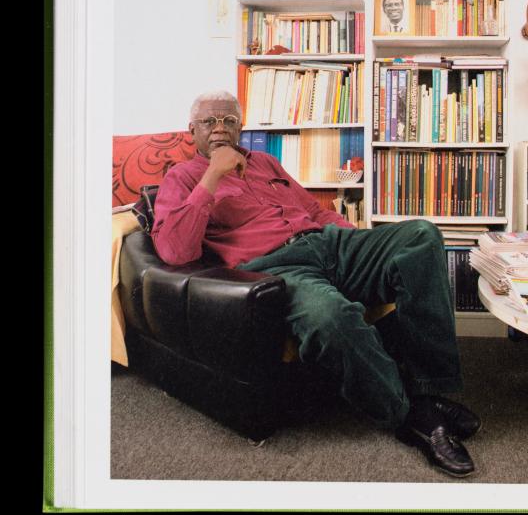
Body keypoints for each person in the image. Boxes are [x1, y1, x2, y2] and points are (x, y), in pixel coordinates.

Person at [151, 90, 479, 477]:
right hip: (278, 268)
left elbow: (313, 211)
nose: (220, 128)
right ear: (192, 131)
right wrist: (214, 173)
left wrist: (357, 241)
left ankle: (428, 385)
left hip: (330, 246)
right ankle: (412, 415)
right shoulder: (183, 178)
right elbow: (175, 250)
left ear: (241, 126)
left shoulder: (267, 162)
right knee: (329, 317)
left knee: (421, 236)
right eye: (209, 122)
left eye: (228, 120)